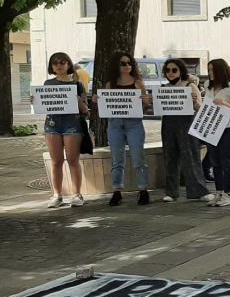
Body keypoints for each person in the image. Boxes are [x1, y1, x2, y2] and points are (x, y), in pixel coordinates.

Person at [95, 51, 151, 206]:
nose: (127, 66)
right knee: (117, 159)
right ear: (116, 66)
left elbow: (146, 106)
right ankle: (117, 191)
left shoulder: (138, 83)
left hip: (134, 124)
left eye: (130, 63)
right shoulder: (110, 84)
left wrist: (146, 100)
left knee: (138, 157)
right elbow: (105, 105)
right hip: (115, 124)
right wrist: (98, 100)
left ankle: (143, 190)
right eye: (123, 63)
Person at [33, 52, 88, 208]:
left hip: (72, 124)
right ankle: (57, 195)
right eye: (55, 63)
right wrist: (36, 101)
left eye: (62, 62)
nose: (59, 66)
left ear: (68, 65)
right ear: (51, 66)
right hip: (52, 124)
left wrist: (78, 101)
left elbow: (85, 111)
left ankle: (77, 194)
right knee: (56, 161)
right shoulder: (47, 84)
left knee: (73, 160)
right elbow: (44, 104)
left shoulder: (77, 84)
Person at [160, 59, 211, 203]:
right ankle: (171, 192)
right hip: (168, 124)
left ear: (181, 71)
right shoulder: (164, 88)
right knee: (170, 157)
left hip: (187, 124)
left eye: (174, 70)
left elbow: (200, 108)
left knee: (190, 156)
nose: (170, 73)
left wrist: (193, 101)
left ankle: (199, 191)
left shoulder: (190, 86)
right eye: (168, 70)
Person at [206, 58, 230, 207]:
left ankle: (228, 193)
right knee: (215, 162)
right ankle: (219, 192)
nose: (210, 73)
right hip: (211, 128)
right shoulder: (208, 86)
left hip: (226, 129)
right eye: (208, 70)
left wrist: (225, 103)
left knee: (226, 161)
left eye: (212, 70)